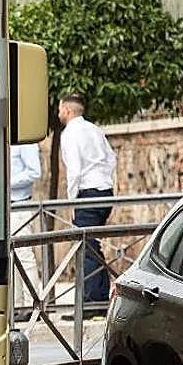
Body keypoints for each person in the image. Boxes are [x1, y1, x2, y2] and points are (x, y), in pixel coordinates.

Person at [58, 94, 117, 313]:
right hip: (105, 191)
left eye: (60, 109)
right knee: (92, 245)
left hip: (87, 193)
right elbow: (111, 159)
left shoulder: (70, 134)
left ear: (67, 110)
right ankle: (99, 298)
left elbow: (74, 170)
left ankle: (92, 303)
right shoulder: (95, 130)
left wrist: (71, 201)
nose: (58, 113)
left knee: (85, 247)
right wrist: (105, 179)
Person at [9, 143, 42, 322]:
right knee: (13, 257)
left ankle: (32, 305)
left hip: (20, 204)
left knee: (24, 255)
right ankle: (18, 305)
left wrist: (6, 181)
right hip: (7, 203)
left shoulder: (26, 142)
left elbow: (34, 172)